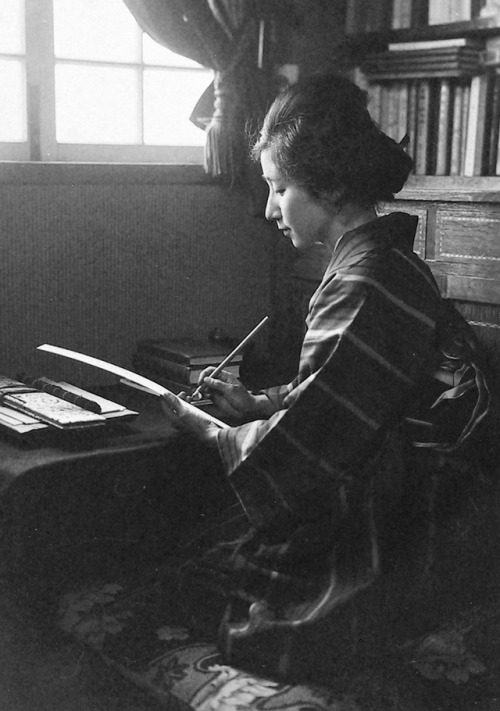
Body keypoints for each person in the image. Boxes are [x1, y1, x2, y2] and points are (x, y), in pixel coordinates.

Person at [159, 72, 492, 680]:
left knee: (212, 585)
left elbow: (320, 431)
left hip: (387, 506)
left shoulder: (365, 281)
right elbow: (334, 391)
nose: (268, 209)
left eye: (279, 188)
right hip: (379, 472)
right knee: (195, 560)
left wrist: (210, 432)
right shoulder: (382, 262)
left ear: (331, 186)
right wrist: (259, 403)